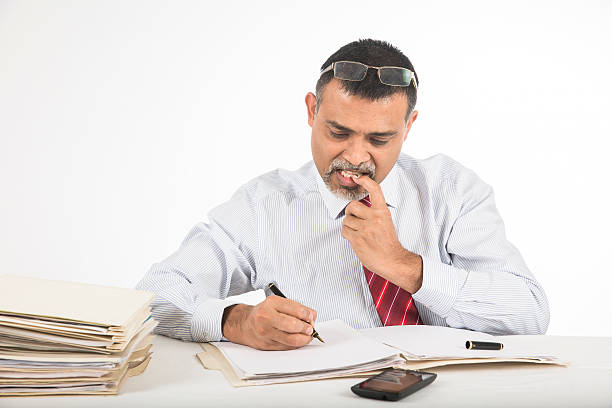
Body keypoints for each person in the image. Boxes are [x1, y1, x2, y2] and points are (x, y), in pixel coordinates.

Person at [136, 39, 549, 351]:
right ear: (312, 111)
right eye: (338, 132)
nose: (354, 156)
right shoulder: (265, 205)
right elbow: (154, 294)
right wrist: (234, 321)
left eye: (380, 138)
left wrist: (404, 266)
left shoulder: (452, 191)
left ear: (409, 127)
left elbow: (529, 314)